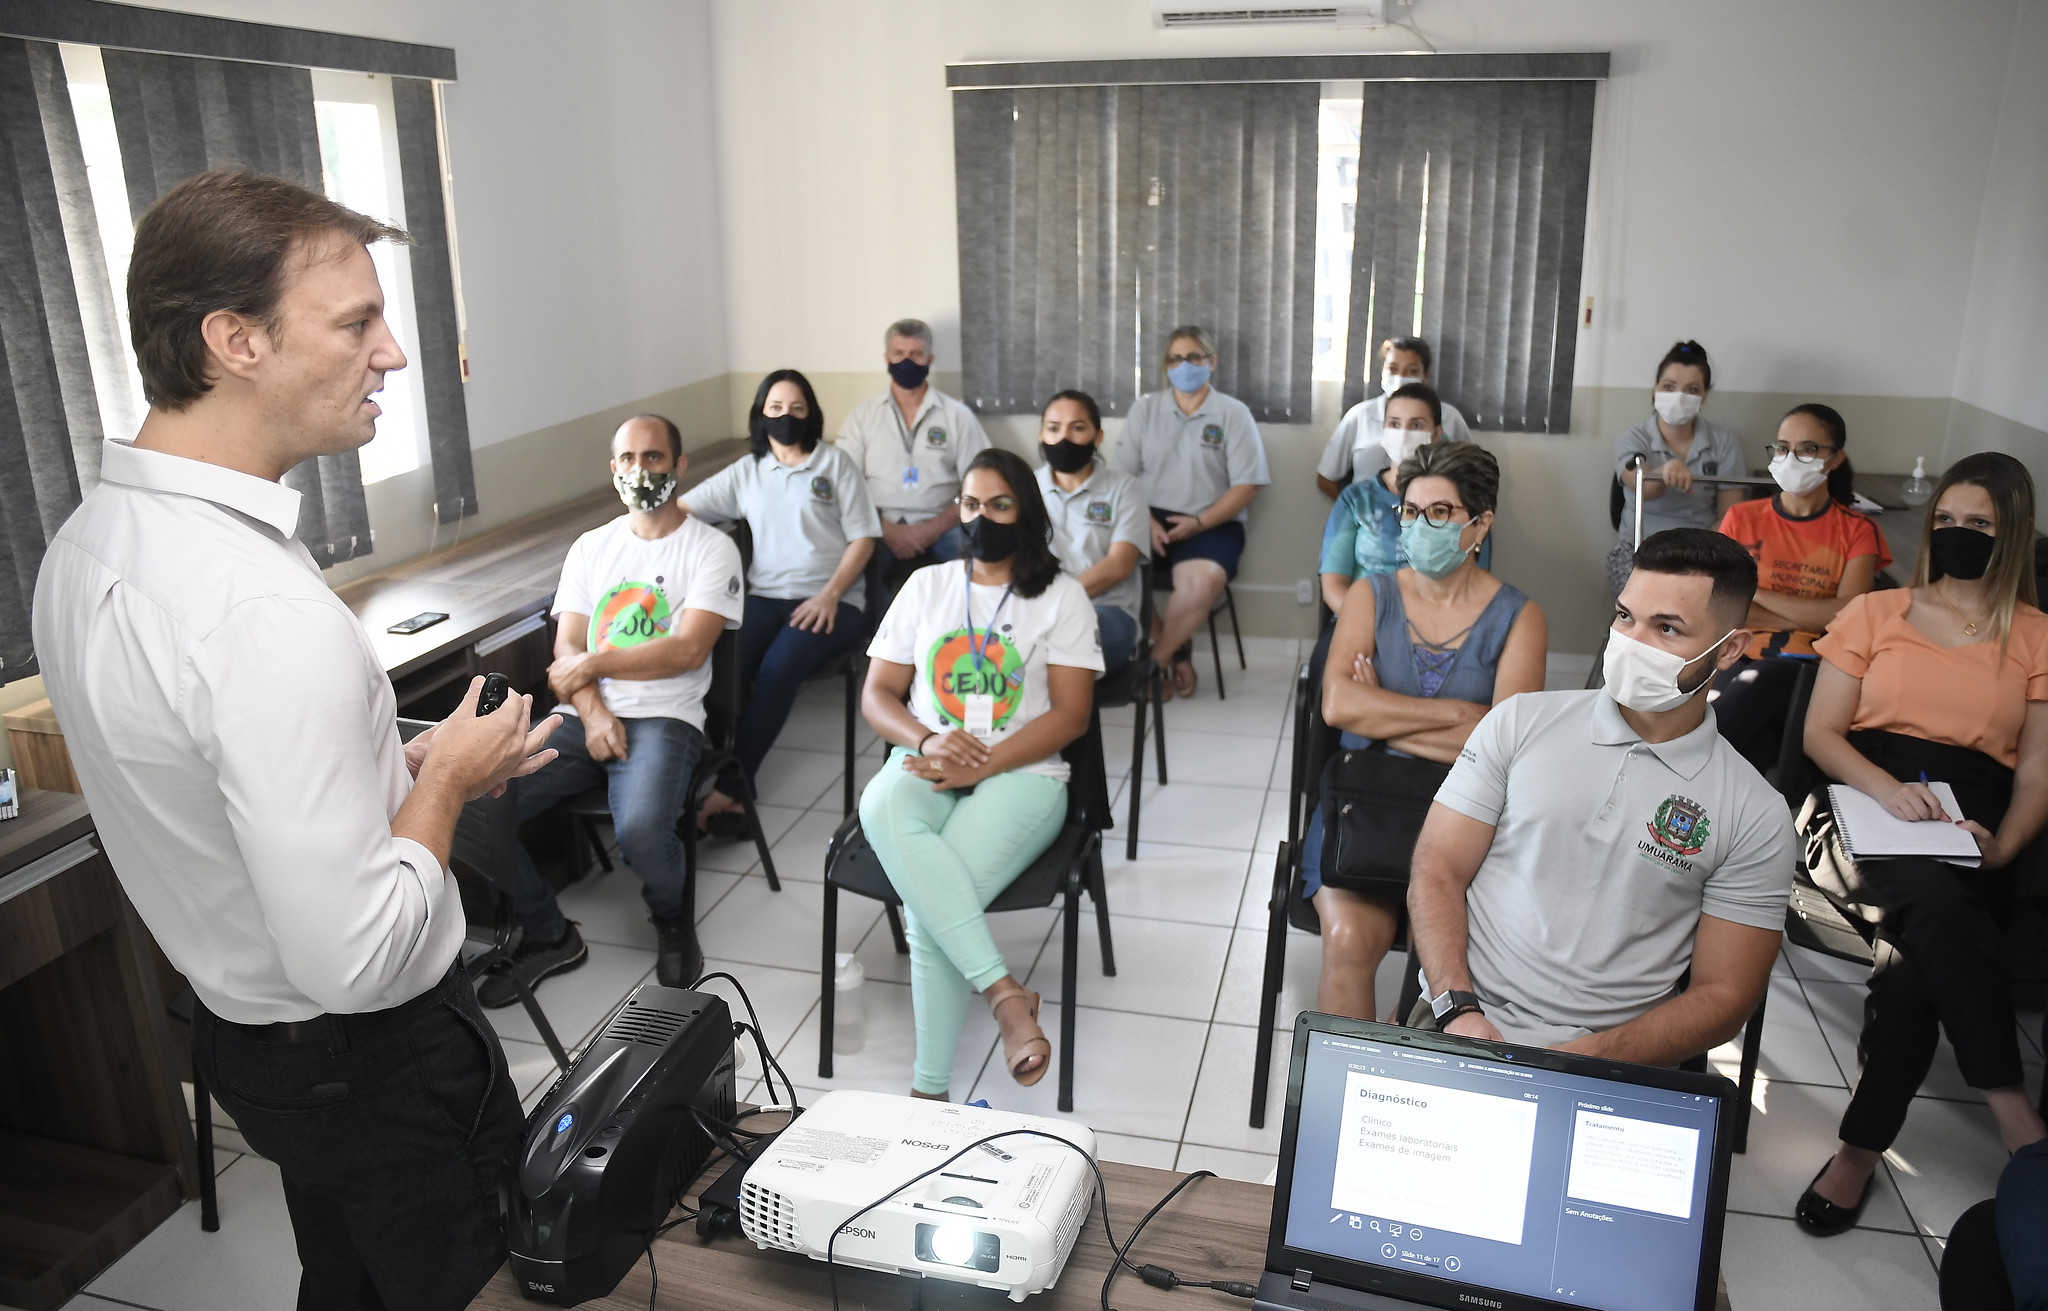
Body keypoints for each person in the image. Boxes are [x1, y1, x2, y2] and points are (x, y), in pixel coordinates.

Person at [32, 169, 558, 1309]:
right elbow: (357, 956)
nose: (394, 354)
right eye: (357, 322)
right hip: (374, 1061)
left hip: (248, 1047)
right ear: (235, 340)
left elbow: (210, 792)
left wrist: (388, 771)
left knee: (349, 1281)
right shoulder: (258, 610)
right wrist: (452, 784)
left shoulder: (88, 547)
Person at [1408, 528, 1796, 1059]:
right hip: (1463, 1018)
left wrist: (1588, 1059)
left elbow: (1726, 993)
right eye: (1624, 616)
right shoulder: (1520, 722)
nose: (1634, 641)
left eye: (1667, 628)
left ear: (1727, 649)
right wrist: (1459, 1010)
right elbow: (1437, 867)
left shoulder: (1755, 814)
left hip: (1618, 1054)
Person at [1794, 451, 2048, 1237]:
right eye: (1946, 520)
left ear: (2013, 537)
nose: (1957, 534)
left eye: (1979, 524)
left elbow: (2037, 774)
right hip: (1862, 799)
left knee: (1912, 969)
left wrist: (2001, 848)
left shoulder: (2038, 635)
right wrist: (1886, 790)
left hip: (1971, 822)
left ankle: (1859, 1151)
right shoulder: (1879, 612)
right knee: (1934, 910)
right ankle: (2015, 1112)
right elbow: (1821, 733)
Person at [857, 449, 1103, 1100]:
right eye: (970, 503)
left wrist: (989, 758)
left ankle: (929, 1090)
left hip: (1023, 770)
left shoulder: (1063, 596)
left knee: (934, 896)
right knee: (881, 804)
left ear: (1026, 512)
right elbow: (878, 694)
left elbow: (1074, 715)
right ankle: (1005, 994)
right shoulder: (927, 586)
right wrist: (930, 736)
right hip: (931, 755)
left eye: (999, 504)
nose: (981, 516)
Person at [482, 413, 747, 1000]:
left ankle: (672, 918)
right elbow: (565, 649)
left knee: (644, 830)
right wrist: (596, 711)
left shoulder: (711, 549)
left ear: (679, 466)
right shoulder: (592, 547)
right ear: (613, 469)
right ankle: (550, 933)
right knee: (477, 804)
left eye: (653, 458)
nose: (639, 470)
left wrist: (594, 667)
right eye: (627, 460)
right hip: (585, 715)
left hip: (666, 716)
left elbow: (686, 649)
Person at [1303, 443, 1546, 1023]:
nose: (1419, 525)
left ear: (1479, 523)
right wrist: (1463, 718)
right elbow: (1337, 705)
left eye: (1439, 513)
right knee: (1346, 939)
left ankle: (1406, 1089)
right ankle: (1344, 1103)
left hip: (1468, 816)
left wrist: (1383, 716)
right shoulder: (1371, 594)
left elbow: (1506, 747)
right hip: (1364, 807)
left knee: (1440, 967)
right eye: (1410, 512)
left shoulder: (1520, 616)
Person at [683, 371, 881, 837]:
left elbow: (865, 537)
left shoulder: (835, 465)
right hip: (765, 597)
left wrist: (831, 594)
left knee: (777, 670)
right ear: (760, 414)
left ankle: (728, 789)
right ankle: (736, 780)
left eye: (796, 408)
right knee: (713, 667)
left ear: (810, 412)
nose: (786, 417)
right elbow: (686, 510)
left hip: (834, 601)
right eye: (775, 408)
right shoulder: (747, 472)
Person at [1709, 404, 1888, 772]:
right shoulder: (1742, 518)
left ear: (1835, 459)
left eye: (1807, 449)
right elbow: (1718, 603)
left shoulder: (1857, 531)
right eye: (1781, 447)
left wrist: (1752, 587)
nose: (1791, 458)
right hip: (1735, 651)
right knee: (1760, 744)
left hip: (1813, 667)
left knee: (1755, 695)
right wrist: (1812, 614)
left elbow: (1848, 617)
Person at [1111, 325, 1271, 698]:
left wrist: (1199, 523)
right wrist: (1145, 521)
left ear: (1211, 362)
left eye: (1194, 357)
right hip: (1147, 519)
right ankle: (1176, 648)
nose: (1184, 366)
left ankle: (1154, 665)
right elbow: (1120, 477)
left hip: (1212, 523)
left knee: (1200, 585)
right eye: (1175, 359)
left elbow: (1248, 484)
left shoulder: (1233, 413)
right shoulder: (1145, 409)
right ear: (1165, 366)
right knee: (1116, 569)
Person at [836, 318, 991, 593]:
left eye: (916, 355)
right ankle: (878, 633)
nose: (907, 361)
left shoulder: (958, 416)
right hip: (877, 528)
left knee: (985, 563)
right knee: (846, 563)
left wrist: (932, 528)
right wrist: (886, 529)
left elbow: (983, 484)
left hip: (945, 525)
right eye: (899, 354)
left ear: (930, 359)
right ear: (886, 358)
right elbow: (844, 485)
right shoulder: (863, 417)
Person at [1317, 383, 1490, 617]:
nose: (1404, 434)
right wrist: (1368, 626)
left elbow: (1477, 587)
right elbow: (1333, 585)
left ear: (1437, 433)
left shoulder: (1465, 504)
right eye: (1394, 424)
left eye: (1416, 425)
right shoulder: (1356, 499)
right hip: (1363, 620)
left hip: (1439, 629)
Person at [1612, 341, 1749, 593]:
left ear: (1704, 396)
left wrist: (1698, 553)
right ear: (1655, 389)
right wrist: (1661, 474)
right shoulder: (1634, 438)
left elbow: (1732, 514)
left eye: (1691, 389)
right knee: (1650, 603)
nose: (1679, 397)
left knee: (1699, 605)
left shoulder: (1724, 442)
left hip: (1703, 552)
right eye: (1669, 387)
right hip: (1639, 548)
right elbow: (1635, 481)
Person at [1035, 389, 1150, 676]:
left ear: (1098, 437)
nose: (1064, 438)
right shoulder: (1023, 488)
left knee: (1066, 643)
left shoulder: (1125, 489)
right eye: (1054, 428)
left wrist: (1056, 604)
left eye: (1078, 428)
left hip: (1107, 612)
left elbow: (1118, 566)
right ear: (1041, 435)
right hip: (1034, 609)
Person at [1315, 335, 1475, 499]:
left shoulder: (1450, 418)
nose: (1400, 377)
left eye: (1411, 371)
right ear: (1382, 372)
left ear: (1425, 376)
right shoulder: (1359, 416)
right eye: (1393, 369)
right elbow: (1326, 477)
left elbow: (1474, 477)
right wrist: (1358, 514)